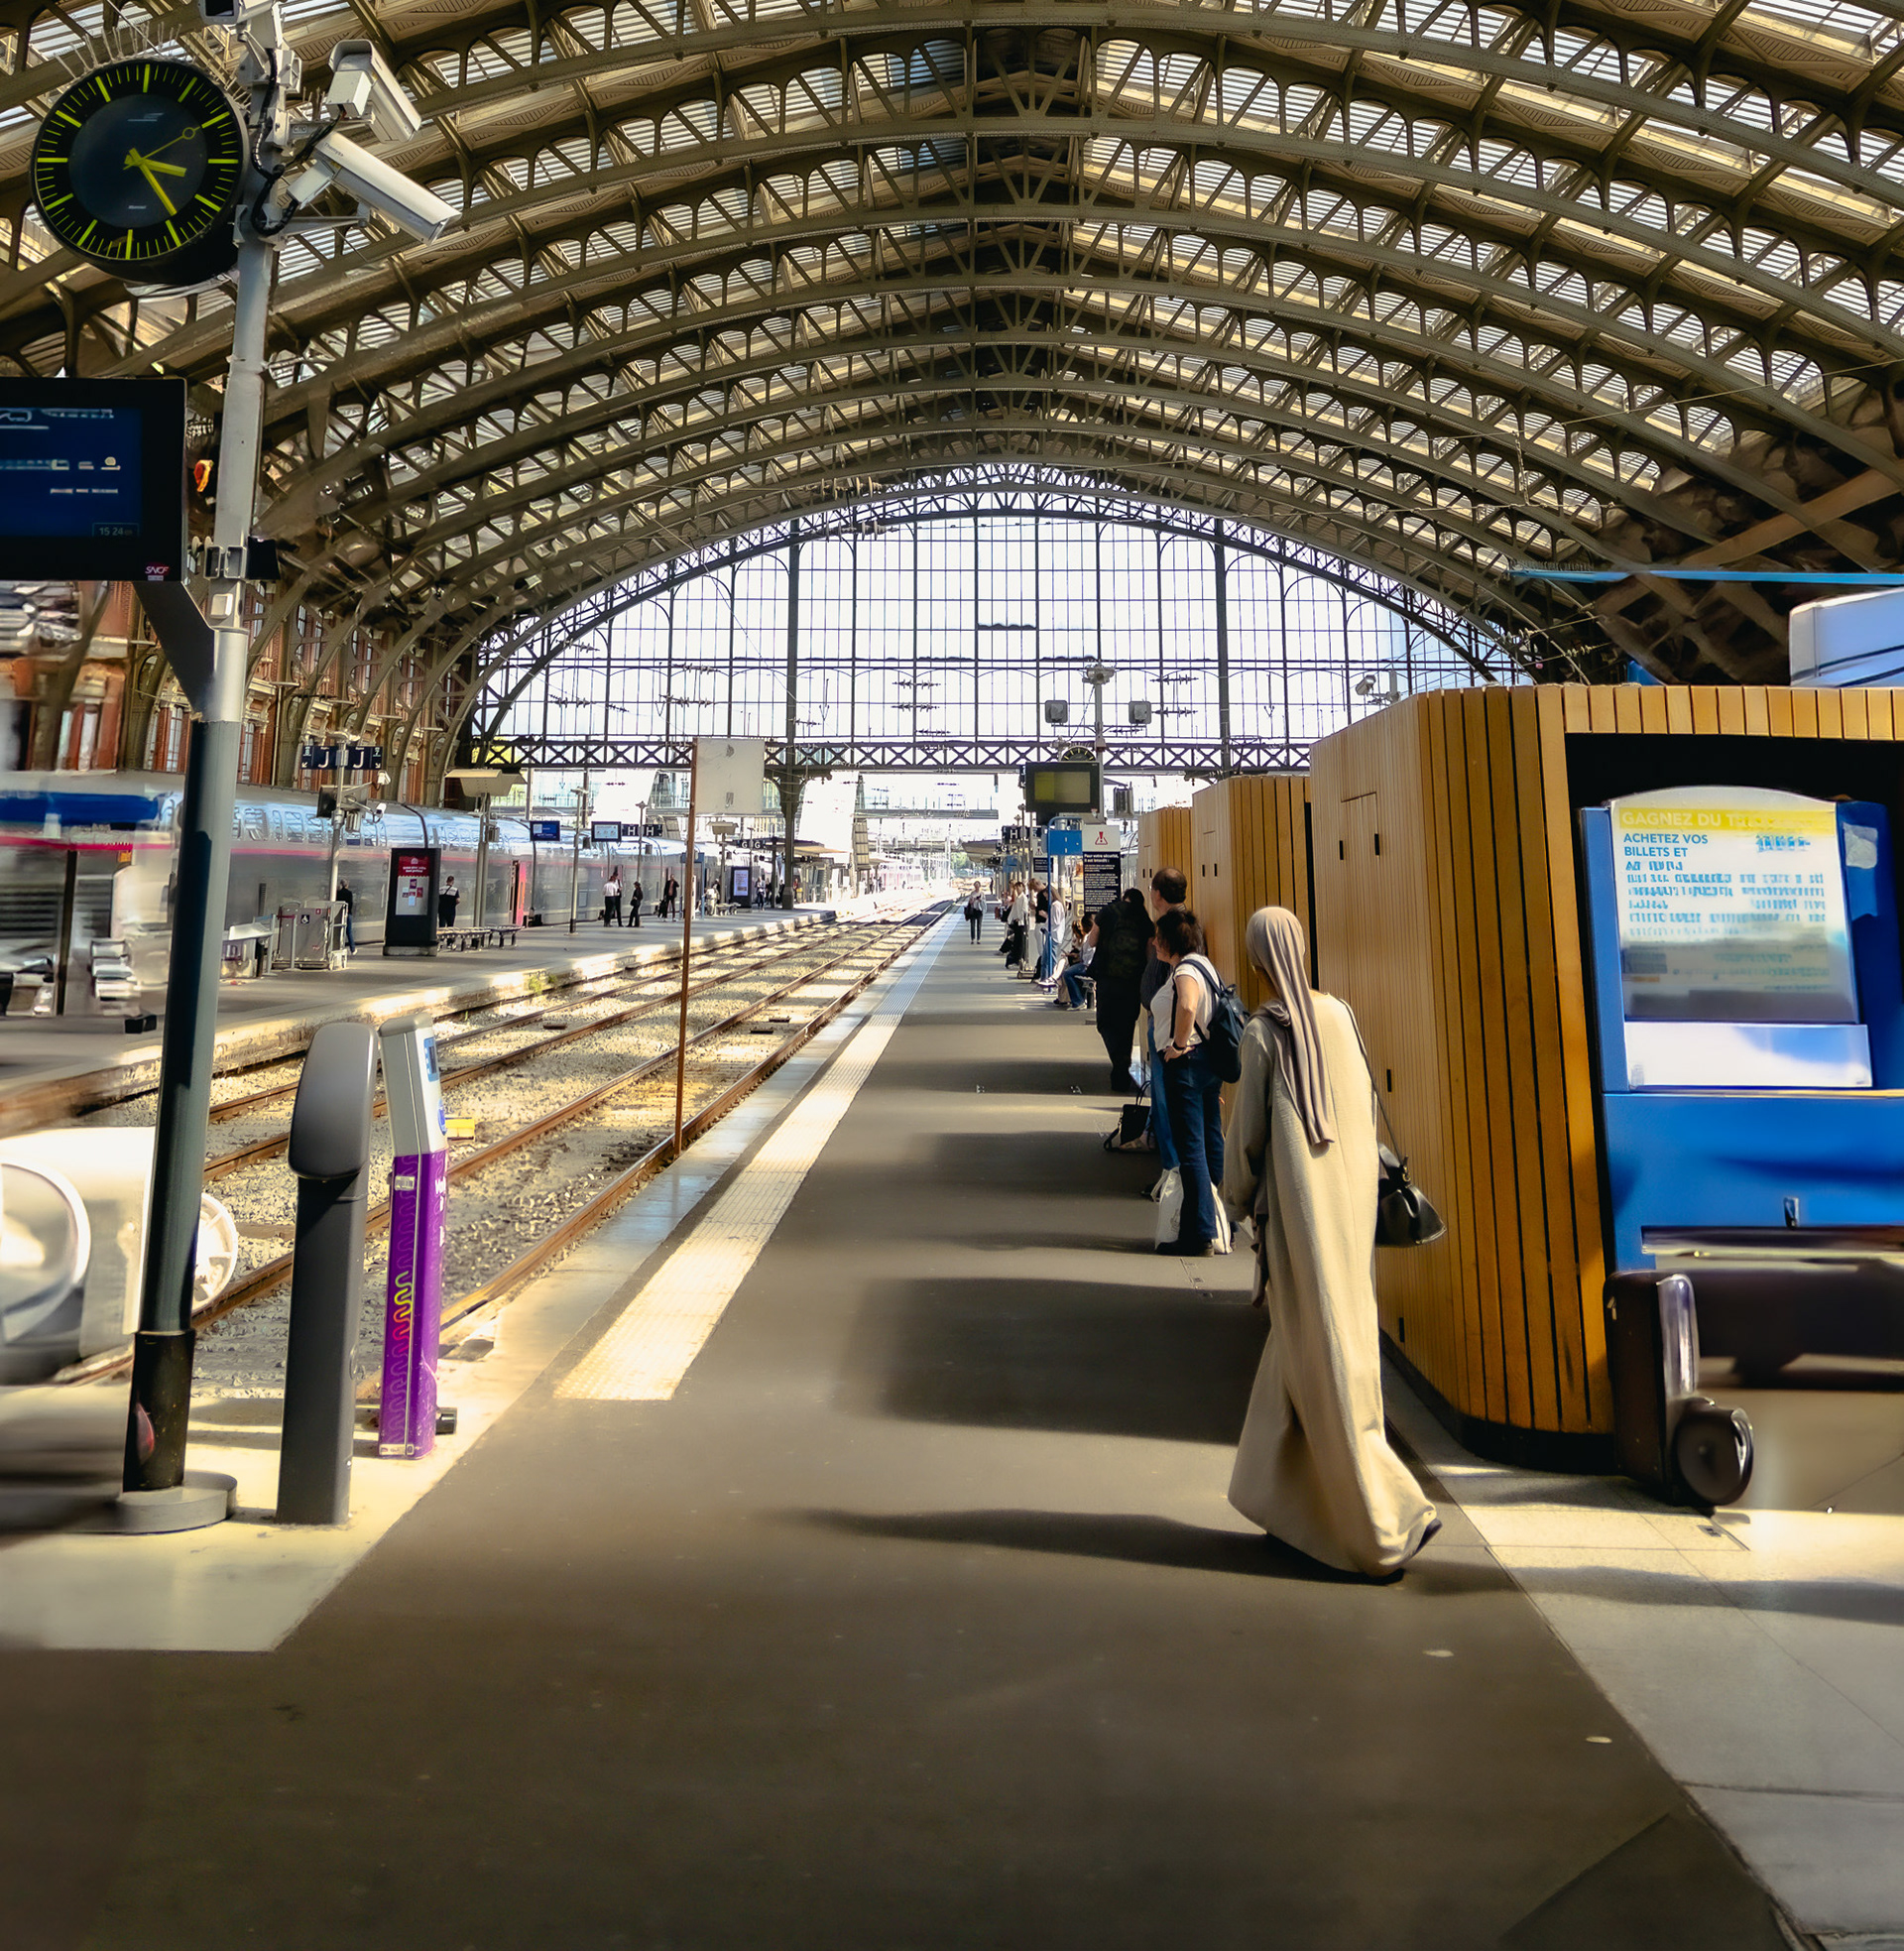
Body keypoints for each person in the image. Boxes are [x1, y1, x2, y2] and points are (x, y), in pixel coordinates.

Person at [1223, 906, 1442, 1579]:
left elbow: (1247, 1139)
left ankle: (1382, 1522)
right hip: (1350, 1213)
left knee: (1320, 1360)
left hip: (1300, 1223)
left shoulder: (1264, 1032)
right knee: (1313, 1352)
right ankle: (1286, 1508)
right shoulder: (1340, 1014)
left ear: (1258, 955)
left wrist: (1233, 1199)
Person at [1151, 906, 1225, 1256]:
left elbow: (1188, 1007)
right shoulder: (1205, 965)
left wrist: (1178, 1046)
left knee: (1191, 1148)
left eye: (1158, 938)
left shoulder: (1184, 970)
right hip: (1208, 1064)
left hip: (1188, 1063)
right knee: (1210, 1142)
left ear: (1170, 941)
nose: (1153, 943)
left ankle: (1199, 1233)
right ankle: (1219, 1221)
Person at [1141, 867, 1188, 1169]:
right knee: (1161, 1097)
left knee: (1166, 1097)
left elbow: (1181, 985)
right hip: (1163, 1022)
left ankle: (1173, 1173)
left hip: (1166, 1027)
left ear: (1157, 894)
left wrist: (1178, 1040)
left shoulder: (1175, 926)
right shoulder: (1176, 923)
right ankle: (1168, 1166)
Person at [1091, 887, 1152, 1092]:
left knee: (1105, 1023)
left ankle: (1118, 1060)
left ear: (1123, 898)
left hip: (1108, 979)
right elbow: (1149, 954)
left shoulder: (1107, 912)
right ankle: (1122, 1060)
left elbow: (1091, 940)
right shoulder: (1144, 919)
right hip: (1133, 981)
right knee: (1127, 1025)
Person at [335, 878, 355, 955]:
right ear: (347, 885)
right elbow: (351, 903)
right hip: (348, 914)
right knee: (349, 931)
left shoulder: (338, 893)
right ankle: (352, 949)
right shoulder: (349, 893)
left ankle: (339, 946)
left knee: (339, 930)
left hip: (339, 914)